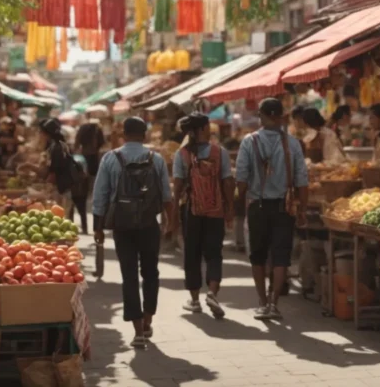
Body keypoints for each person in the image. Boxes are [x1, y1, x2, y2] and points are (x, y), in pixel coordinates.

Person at [93, 117, 172, 349]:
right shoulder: (155, 159)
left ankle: (137, 330)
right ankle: (148, 320)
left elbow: (100, 196)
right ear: (144, 134)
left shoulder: (110, 158)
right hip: (149, 224)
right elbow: (167, 196)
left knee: (128, 275)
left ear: (123, 135)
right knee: (150, 272)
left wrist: (98, 227)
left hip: (121, 225)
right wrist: (171, 223)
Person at [235, 98, 309, 321]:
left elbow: (241, 179)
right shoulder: (292, 143)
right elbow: (302, 181)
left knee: (257, 255)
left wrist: (244, 199)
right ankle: (274, 303)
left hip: (257, 205)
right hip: (283, 207)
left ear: (262, 115)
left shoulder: (249, 142)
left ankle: (262, 302)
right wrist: (303, 208)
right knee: (281, 256)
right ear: (280, 117)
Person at [172, 113, 233, 319]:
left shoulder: (182, 154)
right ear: (201, 130)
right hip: (215, 210)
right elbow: (227, 182)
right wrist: (229, 209)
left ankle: (195, 300)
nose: (210, 130)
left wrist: (172, 215)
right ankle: (213, 293)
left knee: (192, 254)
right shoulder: (220, 152)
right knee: (214, 253)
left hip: (191, 211)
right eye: (208, 127)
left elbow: (178, 186)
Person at [40, 119, 85, 232]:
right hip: (66, 187)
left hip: (62, 188)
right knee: (64, 219)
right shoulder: (60, 145)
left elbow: (54, 171)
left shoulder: (56, 148)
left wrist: (46, 188)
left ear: (47, 133)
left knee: (61, 220)